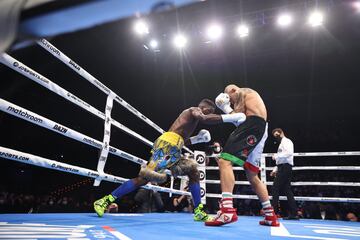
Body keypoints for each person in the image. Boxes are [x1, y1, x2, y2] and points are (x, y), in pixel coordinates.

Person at [94, 98, 246, 222]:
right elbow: (204, 118)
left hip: (174, 148)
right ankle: (104, 201)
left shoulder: (187, 123)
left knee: (193, 172)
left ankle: (199, 211)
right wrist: (229, 118)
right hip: (167, 146)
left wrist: (198, 139)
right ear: (206, 109)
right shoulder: (194, 110)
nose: (206, 115)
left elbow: (181, 140)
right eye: (209, 112)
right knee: (144, 179)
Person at [205, 84, 280, 227]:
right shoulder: (248, 100)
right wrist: (226, 108)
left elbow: (240, 119)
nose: (231, 102)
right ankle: (270, 216)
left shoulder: (244, 92)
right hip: (259, 129)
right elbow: (239, 119)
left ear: (233, 90)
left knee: (224, 161)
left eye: (230, 98)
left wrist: (225, 107)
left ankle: (227, 210)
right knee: (252, 175)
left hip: (253, 125)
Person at [270, 128, 299, 220]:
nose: (276, 136)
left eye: (277, 134)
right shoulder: (281, 144)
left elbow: (289, 153)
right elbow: (280, 160)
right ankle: (294, 213)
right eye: (275, 135)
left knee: (275, 188)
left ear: (281, 132)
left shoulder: (287, 141)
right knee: (287, 190)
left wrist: (276, 156)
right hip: (283, 167)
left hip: (285, 167)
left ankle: (274, 212)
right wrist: (275, 169)